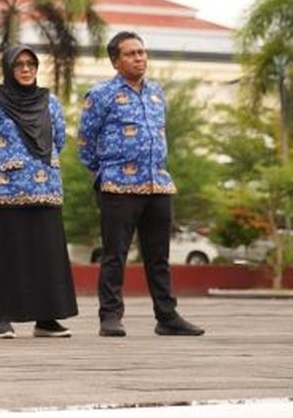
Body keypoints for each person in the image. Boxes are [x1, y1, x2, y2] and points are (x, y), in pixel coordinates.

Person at [78, 31, 204, 337]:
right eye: (131, 54)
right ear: (115, 61)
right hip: (118, 187)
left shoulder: (156, 93)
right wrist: (106, 172)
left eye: (142, 52)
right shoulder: (101, 95)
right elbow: (85, 142)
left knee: (159, 256)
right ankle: (110, 316)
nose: (139, 58)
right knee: (115, 254)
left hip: (158, 184)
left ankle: (167, 316)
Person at [0, 45, 78, 338]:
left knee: (46, 255)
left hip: (45, 187)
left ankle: (47, 319)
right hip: (7, 190)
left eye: (31, 64)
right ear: (8, 69)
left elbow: (60, 139)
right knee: (8, 256)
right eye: (19, 65)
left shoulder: (49, 101)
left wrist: (38, 165)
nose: (26, 69)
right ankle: (3, 317)